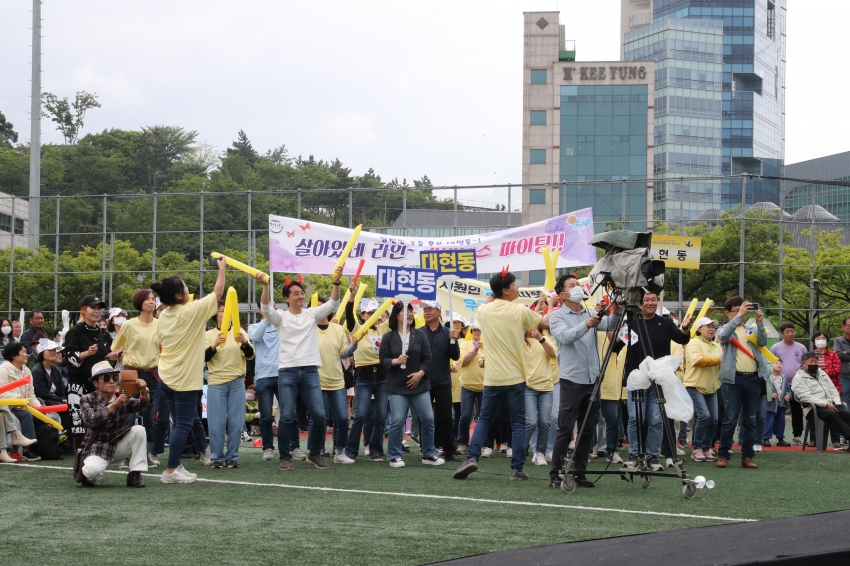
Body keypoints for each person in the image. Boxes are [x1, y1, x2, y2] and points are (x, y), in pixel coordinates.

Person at [453, 269, 542, 481]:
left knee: (484, 419)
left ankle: (472, 458)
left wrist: (496, 287)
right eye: (514, 284)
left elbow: (488, 300)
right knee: (518, 423)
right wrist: (552, 304)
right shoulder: (520, 311)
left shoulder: (484, 311)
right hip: (515, 377)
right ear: (506, 290)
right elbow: (542, 323)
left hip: (492, 377)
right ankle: (517, 469)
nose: (517, 287)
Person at [256, 265, 343, 471]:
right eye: (296, 293)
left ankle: (314, 453)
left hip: (311, 371)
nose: (301, 296)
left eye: (302, 293)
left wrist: (336, 281)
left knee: (320, 416)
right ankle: (285, 455)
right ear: (287, 298)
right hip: (287, 372)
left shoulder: (311, 314)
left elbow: (333, 303)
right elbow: (266, 307)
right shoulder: (281, 317)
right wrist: (266, 285)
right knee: (287, 415)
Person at [154, 257, 226, 484]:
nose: (188, 289)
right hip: (183, 378)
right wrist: (222, 268)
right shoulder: (190, 312)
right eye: (185, 287)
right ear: (178, 296)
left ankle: (177, 465)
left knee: (179, 423)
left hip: (166, 376)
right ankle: (170, 470)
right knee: (184, 424)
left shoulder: (164, 314)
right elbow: (218, 293)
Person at [542, 274, 618, 488]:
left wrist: (617, 310)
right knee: (565, 428)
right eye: (572, 285)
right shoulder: (557, 316)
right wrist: (586, 324)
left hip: (592, 378)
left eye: (578, 284)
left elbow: (609, 324)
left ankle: (579, 472)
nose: (578, 288)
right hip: (572, 379)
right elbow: (564, 337)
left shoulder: (590, 312)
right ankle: (555, 473)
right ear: (563, 294)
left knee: (587, 428)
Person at [615, 292, 691, 471]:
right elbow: (616, 347)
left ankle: (652, 457)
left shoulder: (665, 322)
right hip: (637, 379)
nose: (650, 303)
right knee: (635, 418)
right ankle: (634, 454)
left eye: (653, 299)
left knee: (656, 419)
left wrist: (686, 327)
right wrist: (620, 327)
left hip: (658, 379)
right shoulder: (632, 324)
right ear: (639, 304)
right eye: (646, 300)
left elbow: (682, 338)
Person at [380, 301, 444, 468]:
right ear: (396, 315)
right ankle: (394, 455)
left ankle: (428, 454)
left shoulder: (420, 335)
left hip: (419, 384)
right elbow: (383, 360)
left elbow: (428, 359)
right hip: (397, 386)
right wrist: (395, 361)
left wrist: (420, 374)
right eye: (404, 311)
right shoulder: (388, 337)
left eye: (410, 310)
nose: (409, 314)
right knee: (398, 420)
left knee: (428, 418)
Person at [715, 297, 768, 469]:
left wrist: (760, 323)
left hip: (753, 378)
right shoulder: (725, 329)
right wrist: (738, 316)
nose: (741, 313)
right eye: (736, 310)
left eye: (743, 310)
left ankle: (747, 456)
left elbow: (762, 342)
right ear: (728, 312)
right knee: (730, 419)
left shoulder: (749, 329)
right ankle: (723, 455)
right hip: (732, 380)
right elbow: (722, 338)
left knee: (750, 420)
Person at [79, 361, 151, 487]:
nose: (112, 381)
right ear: (96, 383)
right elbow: (92, 419)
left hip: (118, 445)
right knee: (91, 472)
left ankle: (135, 474)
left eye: (115, 377)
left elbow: (144, 405)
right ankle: (93, 475)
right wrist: (115, 403)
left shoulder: (121, 397)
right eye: (106, 378)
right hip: (97, 448)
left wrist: (144, 391)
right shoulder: (87, 399)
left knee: (139, 430)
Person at [112, 289, 161, 468]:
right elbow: (116, 347)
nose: (151, 302)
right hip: (131, 373)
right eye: (147, 299)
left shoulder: (160, 324)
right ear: (139, 303)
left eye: (153, 299)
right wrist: (116, 354)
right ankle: (127, 454)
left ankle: (147, 454)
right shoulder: (129, 325)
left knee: (150, 417)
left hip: (154, 374)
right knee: (128, 415)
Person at [64, 295, 120, 448]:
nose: (97, 311)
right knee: (80, 424)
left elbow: (106, 362)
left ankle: (98, 454)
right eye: (93, 308)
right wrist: (85, 353)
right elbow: (68, 357)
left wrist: (114, 357)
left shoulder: (104, 335)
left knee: (100, 420)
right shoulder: (75, 332)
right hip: (79, 384)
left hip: (98, 385)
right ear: (84, 310)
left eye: (99, 308)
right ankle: (80, 459)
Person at [205, 300, 255, 468]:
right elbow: (204, 357)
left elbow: (250, 355)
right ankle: (217, 458)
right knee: (216, 424)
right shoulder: (209, 334)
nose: (225, 314)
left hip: (237, 382)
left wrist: (244, 343)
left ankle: (232, 456)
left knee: (235, 422)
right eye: (221, 311)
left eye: (228, 311)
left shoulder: (240, 332)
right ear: (216, 315)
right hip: (216, 383)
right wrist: (214, 345)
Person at [343, 295, 389, 462]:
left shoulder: (383, 328)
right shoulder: (358, 328)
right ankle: (351, 450)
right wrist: (351, 299)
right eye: (368, 312)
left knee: (381, 415)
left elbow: (396, 317)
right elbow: (349, 316)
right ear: (362, 315)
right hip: (364, 376)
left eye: (374, 312)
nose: (371, 315)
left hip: (383, 376)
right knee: (361, 414)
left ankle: (376, 450)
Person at [315, 295, 354, 464]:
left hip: (337, 381)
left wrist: (355, 344)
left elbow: (344, 353)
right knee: (320, 418)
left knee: (343, 418)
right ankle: (317, 450)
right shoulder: (308, 328)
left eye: (322, 306)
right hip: (316, 381)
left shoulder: (337, 329)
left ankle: (339, 452)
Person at [420, 300, 460, 461]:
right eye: (425, 309)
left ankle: (449, 450)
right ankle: (427, 448)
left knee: (445, 417)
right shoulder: (420, 332)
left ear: (439, 311)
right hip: (424, 381)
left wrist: (453, 340)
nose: (427, 312)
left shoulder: (447, 332)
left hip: (443, 381)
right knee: (425, 417)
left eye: (430, 309)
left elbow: (455, 356)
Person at [791, 351, 850, 450]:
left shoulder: (822, 374)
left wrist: (837, 403)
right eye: (811, 362)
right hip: (812, 408)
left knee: (847, 414)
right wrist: (825, 404)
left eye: (815, 362)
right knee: (832, 415)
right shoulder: (798, 378)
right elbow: (805, 397)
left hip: (830, 406)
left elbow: (833, 389)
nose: (814, 364)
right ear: (803, 364)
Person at [248, 298, 283, 461]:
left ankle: (291, 446)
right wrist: (265, 320)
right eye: (267, 307)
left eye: (274, 306)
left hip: (284, 374)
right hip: (263, 376)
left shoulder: (282, 325)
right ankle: (268, 447)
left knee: (288, 413)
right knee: (266, 415)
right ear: (260, 310)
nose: (271, 308)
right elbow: (255, 338)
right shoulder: (255, 326)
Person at [683, 317, 721, 462]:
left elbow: (722, 364)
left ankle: (706, 448)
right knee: (704, 416)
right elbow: (698, 361)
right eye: (708, 326)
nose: (712, 329)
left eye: (713, 326)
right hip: (694, 385)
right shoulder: (693, 343)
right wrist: (719, 360)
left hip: (712, 386)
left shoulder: (716, 346)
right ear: (699, 329)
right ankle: (697, 448)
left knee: (714, 419)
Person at [770, 323, 808, 446]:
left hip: (797, 384)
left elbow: (805, 365)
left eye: (792, 331)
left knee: (797, 411)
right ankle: (777, 436)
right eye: (787, 331)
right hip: (779, 384)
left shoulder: (801, 347)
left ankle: (797, 436)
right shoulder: (775, 348)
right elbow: (771, 364)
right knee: (776, 410)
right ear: (782, 334)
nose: (790, 334)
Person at [0, 341, 39, 459]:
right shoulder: (3, 370)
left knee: (30, 413)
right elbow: (1, 393)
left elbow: (31, 394)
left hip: (20, 406)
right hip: (8, 405)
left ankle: (31, 448)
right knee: (24, 414)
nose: (26, 354)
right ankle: (15, 439)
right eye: (23, 351)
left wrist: (39, 407)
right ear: (14, 355)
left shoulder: (27, 371)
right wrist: (18, 398)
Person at [523, 327, 556, 466]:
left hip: (546, 387)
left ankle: (540, 453)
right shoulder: (520, 342)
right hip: (528, 387)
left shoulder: (545, 339)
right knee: (530, 422)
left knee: (545, 422)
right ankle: (520, 450)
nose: (532, 328)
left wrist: (540, 339)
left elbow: (553, 354)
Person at [31, 339, 70, 433]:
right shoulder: (37, 371)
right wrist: (61, 400)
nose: (53, 352)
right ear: (41, 353)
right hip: (44, 403)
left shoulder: (55, 369)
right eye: (50, 350)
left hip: (57, 402)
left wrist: (64, 398)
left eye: (54, 350)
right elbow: (42, 392)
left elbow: (62, 388)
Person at [457, 323, 484, 454]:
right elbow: (464, 362)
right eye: (474, 330)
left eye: (479, 330)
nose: (477, 332)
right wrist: (474, 350)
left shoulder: (489, 344)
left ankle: (483, 444)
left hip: (486, 385)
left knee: (485, 417)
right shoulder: (465, 344)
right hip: (468, 385)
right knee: (465, 416)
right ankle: (462, 442)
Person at [764, 360, 791, 447]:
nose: (779, 365)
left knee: (781, 422)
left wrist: (788, 395)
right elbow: (762, 390)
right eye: (776, 363)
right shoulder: (766, 377)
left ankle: (780, 438)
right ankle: (766, 438)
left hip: (781, 403)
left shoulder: (784, 377)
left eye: (781, 364)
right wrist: (769, 395)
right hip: (770, 404)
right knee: (769, 421)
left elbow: (788, 389)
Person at [832, 317, 850, 407]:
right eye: (849, 326)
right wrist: (843, 353)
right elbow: (838, 355)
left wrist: (846, 352)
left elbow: (843, 355)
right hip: (844, 378)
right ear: (843, 327)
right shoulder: (838, 340)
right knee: (843, 404)